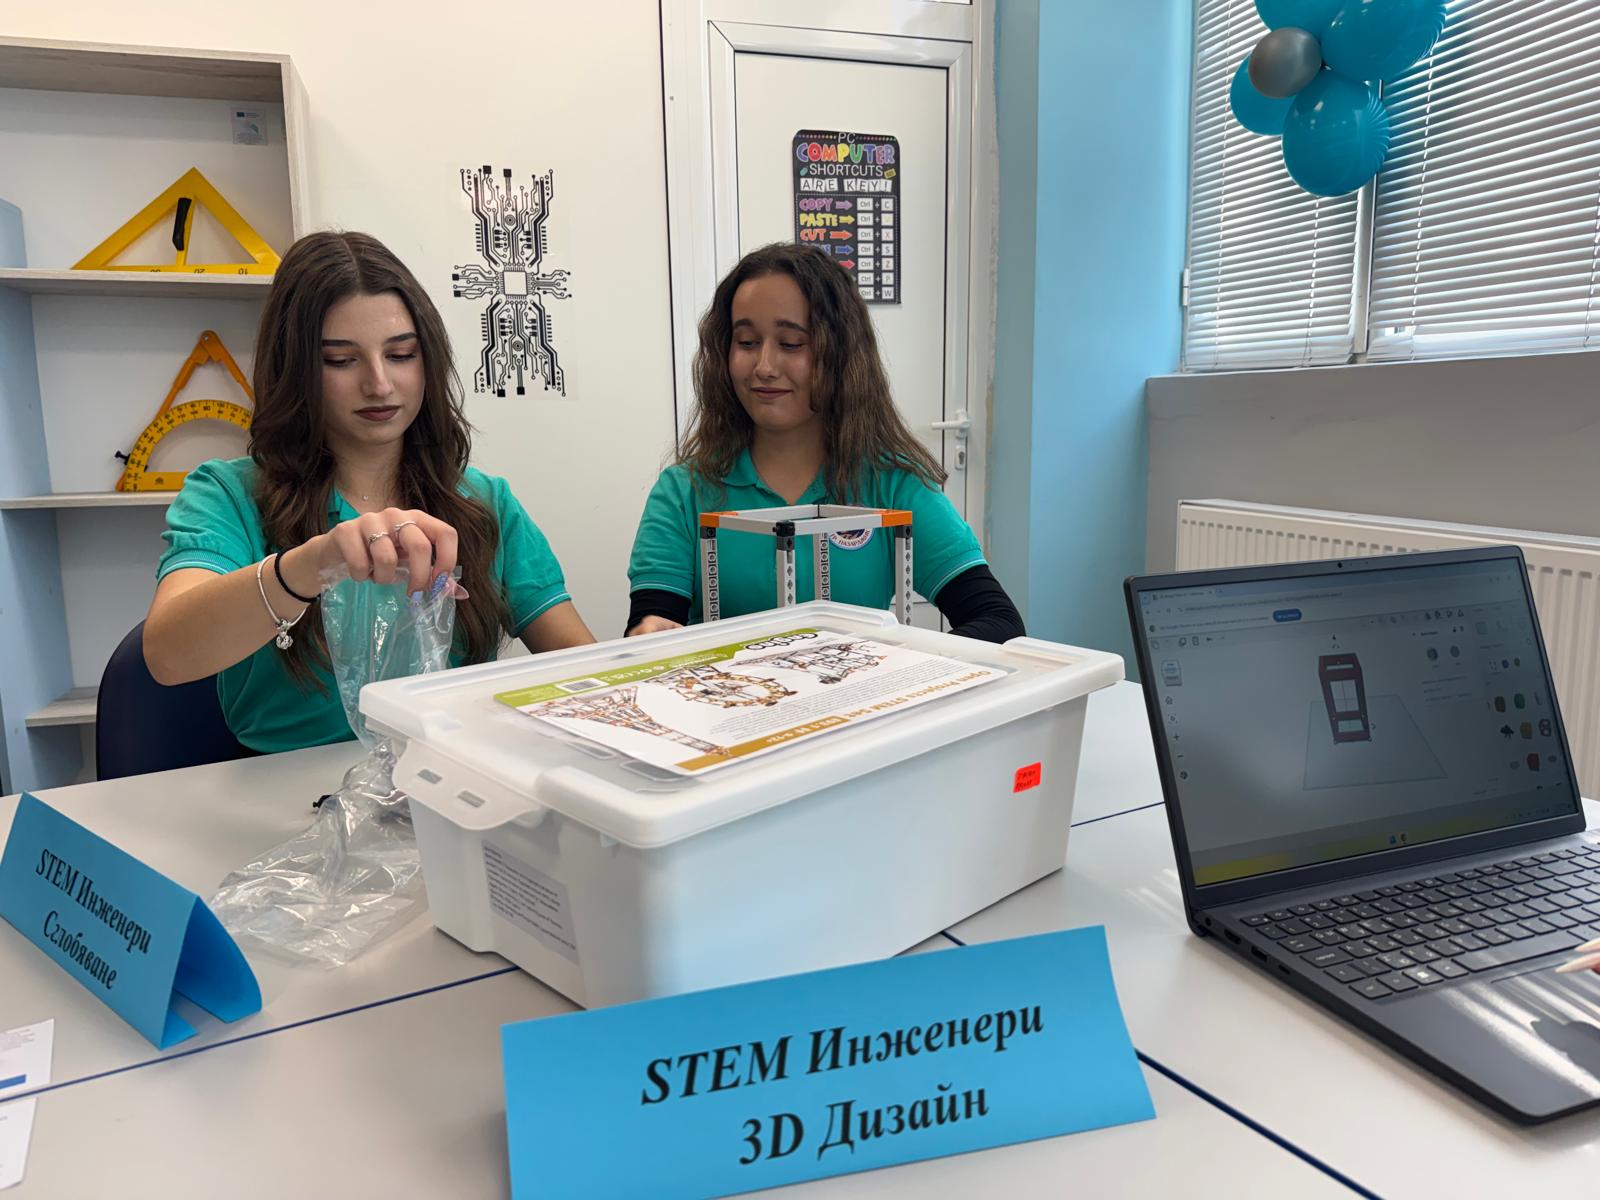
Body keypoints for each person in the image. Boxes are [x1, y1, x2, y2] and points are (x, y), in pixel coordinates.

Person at [143, 231, 594, 752]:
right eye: (341, 360)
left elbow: (580, 667)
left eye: (401, 354)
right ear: (294, 368)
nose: (379, 384)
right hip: (290, 788)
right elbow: (168, 655)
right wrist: (312, 564)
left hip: (451, 778)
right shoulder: (229, 494)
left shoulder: (485, 503)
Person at [626, 242, 1023, 642]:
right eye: (746, 342)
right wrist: (649, 636)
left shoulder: (892, 484)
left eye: (791, 344)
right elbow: (652, 623)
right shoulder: (683, 492)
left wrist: (901, 668)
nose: (764, 366)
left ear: (840, 354)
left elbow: (998, 620)